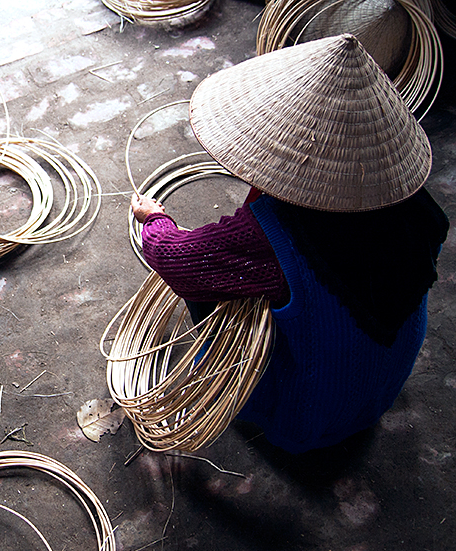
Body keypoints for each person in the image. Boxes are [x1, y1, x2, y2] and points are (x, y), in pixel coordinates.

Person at [131, 34, 449, 453]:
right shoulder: (411, 200)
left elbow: (174, 259)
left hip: (320, 405)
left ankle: (272, 405)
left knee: (221, 288)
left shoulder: (270, 234)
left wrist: (155, 220)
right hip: (386, 377)